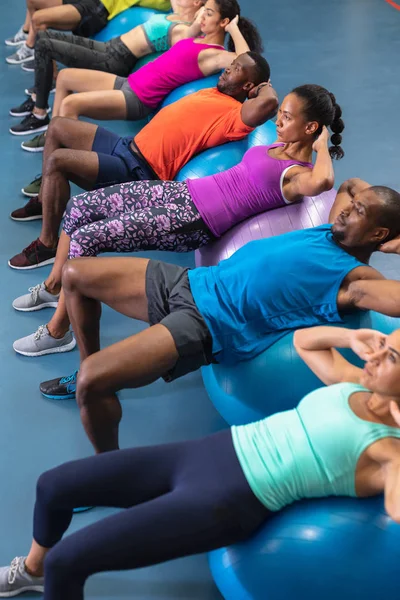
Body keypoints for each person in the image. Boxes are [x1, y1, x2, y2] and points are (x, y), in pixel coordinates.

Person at [2, 324, 400, 598]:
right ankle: (32, 572)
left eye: (392, 355)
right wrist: (354, 334)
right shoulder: (353, 384)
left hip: (225, 502)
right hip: (207, 452)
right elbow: (305, 342)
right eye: (384, 343)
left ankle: (47, 573)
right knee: (53, 486)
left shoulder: (387, 450)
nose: (377, 353)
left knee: (68, 563)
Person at [35, 179, 400, 451]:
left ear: (379, 233)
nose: (349, 207)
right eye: (353, 205)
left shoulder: (355, 279)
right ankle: (86, 359)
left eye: (360, 211)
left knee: (93, 381)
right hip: (191, 281)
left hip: (208, 323)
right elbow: (351, 184)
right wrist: (365, 208)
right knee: (74, 274)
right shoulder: (335, 229)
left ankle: (108, 471)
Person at [12, 83, 344, 357]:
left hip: (192, 220)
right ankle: (56, 287)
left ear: (311, 128)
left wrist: (323, 147)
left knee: (88, 238)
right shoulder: (279, 144)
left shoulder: (298, 174)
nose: (278, 121)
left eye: (286, 117)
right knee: (81, 207)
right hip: (182, 192)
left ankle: (61, 333)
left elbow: (325, 182)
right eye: (280, 114)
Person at [8, 51, 276, 276]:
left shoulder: (233, 117)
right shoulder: (215, 91)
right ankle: (45, 201)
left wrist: (264, 87)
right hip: (127, 145)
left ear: (249, 87)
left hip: (138, 170)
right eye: (231, 64)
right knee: (57, 126)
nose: (228, 69)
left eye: (236, 69)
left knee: (58, 161)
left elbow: (269, 104)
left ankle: (47, 243)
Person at [10, 0, 263, 139]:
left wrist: (234, 28)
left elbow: (246, 58)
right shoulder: (194, 37)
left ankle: (54, 160)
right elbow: (189, 25)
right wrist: (202, 16)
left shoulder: (213, 55)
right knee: (64, 77)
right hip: (129, 82)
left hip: (138, 97)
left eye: (208, 13)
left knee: (71, 104)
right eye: (202, 12)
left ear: (223, 22)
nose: (202, 17)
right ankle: (50, 140)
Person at [5, 0, 171, 67]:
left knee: (40, 18)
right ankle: (28, 35)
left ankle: (46, 69)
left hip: (95, 9)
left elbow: (163, 5)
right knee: (34, 1)